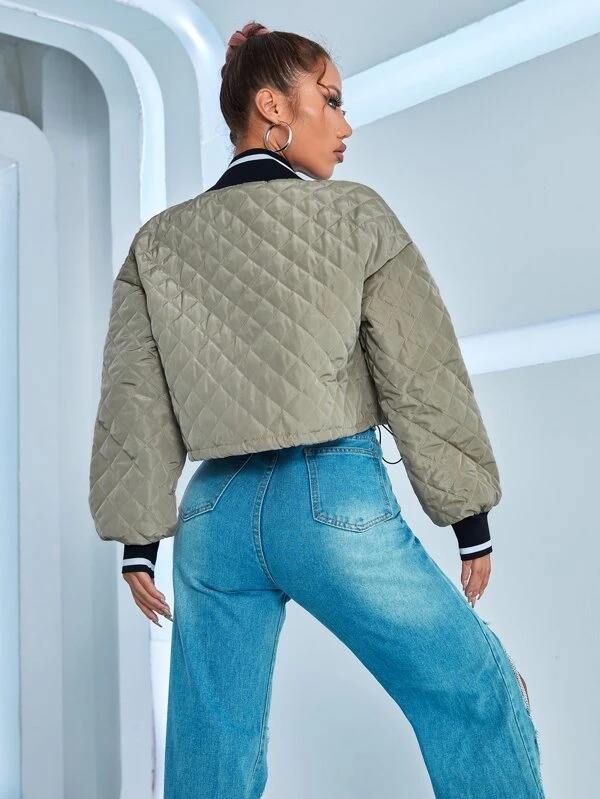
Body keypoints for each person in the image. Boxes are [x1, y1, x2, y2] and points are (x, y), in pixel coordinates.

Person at [88, 20, 546, 799]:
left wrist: (139, 544)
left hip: (212, 519)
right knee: (476, 693)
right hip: (332, 502)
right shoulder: (356, 216)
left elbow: (136, 399)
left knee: (212, 759)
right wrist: (468, 517)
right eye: (330, 100)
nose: (345, 124)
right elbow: (421, 370)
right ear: (273, 106)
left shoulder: (158, 243)